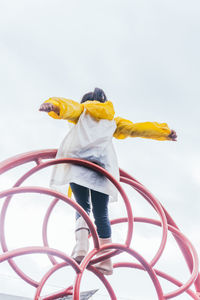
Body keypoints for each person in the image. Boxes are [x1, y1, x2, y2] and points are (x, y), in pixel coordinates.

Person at [39, 87, 177, 275]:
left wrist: (54, 106)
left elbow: (68, 108)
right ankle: (106, 260)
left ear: (85, 101)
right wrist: (163, 132)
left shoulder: (83, 111)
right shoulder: (111, 120)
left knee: (82, 207)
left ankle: (80, 248)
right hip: (102, 168)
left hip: (78, 163)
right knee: (101, 214)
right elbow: (135, 129)